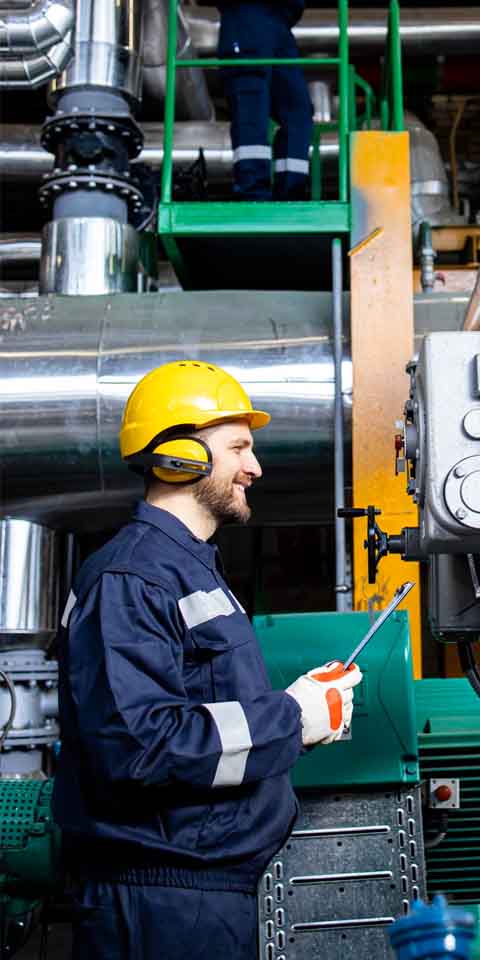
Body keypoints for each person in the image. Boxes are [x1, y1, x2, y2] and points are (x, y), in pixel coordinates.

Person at [54, 360, 362, 959]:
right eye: (239, 448)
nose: (255, 467)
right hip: (159, 903)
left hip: (202, 895)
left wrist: (301, 715)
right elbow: (139, 745)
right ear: (179, 457)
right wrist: (291, 718)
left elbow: (207, 718)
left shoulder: (187, 569)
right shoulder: (132, 577)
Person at [217, 0, 314, 200]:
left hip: (281, 22)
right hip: (247, 14)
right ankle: (253, 192)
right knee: (251, 104)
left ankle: (291, 193)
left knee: (298, 111)